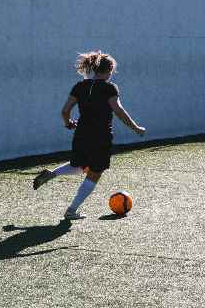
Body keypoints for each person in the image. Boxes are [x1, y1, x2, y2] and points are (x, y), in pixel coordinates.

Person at [33, 50, 146, 220]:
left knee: (79, 166)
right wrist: (136, 127)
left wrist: (68, 123)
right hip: (101, 136)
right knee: (94, 172)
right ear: (109, 71)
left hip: (82, 133)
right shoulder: (109, 88)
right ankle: (71, 211)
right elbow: (118, 110)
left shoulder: (79, 86)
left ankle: (52, 174)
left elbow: (65, 111)